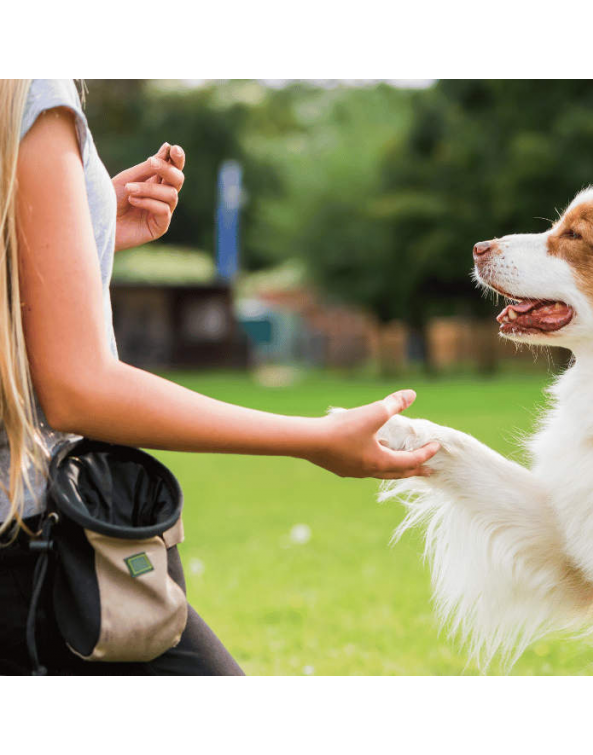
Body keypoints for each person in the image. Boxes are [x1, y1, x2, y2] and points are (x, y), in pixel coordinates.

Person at [0, 79, 440, 675]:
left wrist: (87, 227)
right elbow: (79, 388)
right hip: (28, 553)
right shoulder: (28, 85)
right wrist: (313, 438)